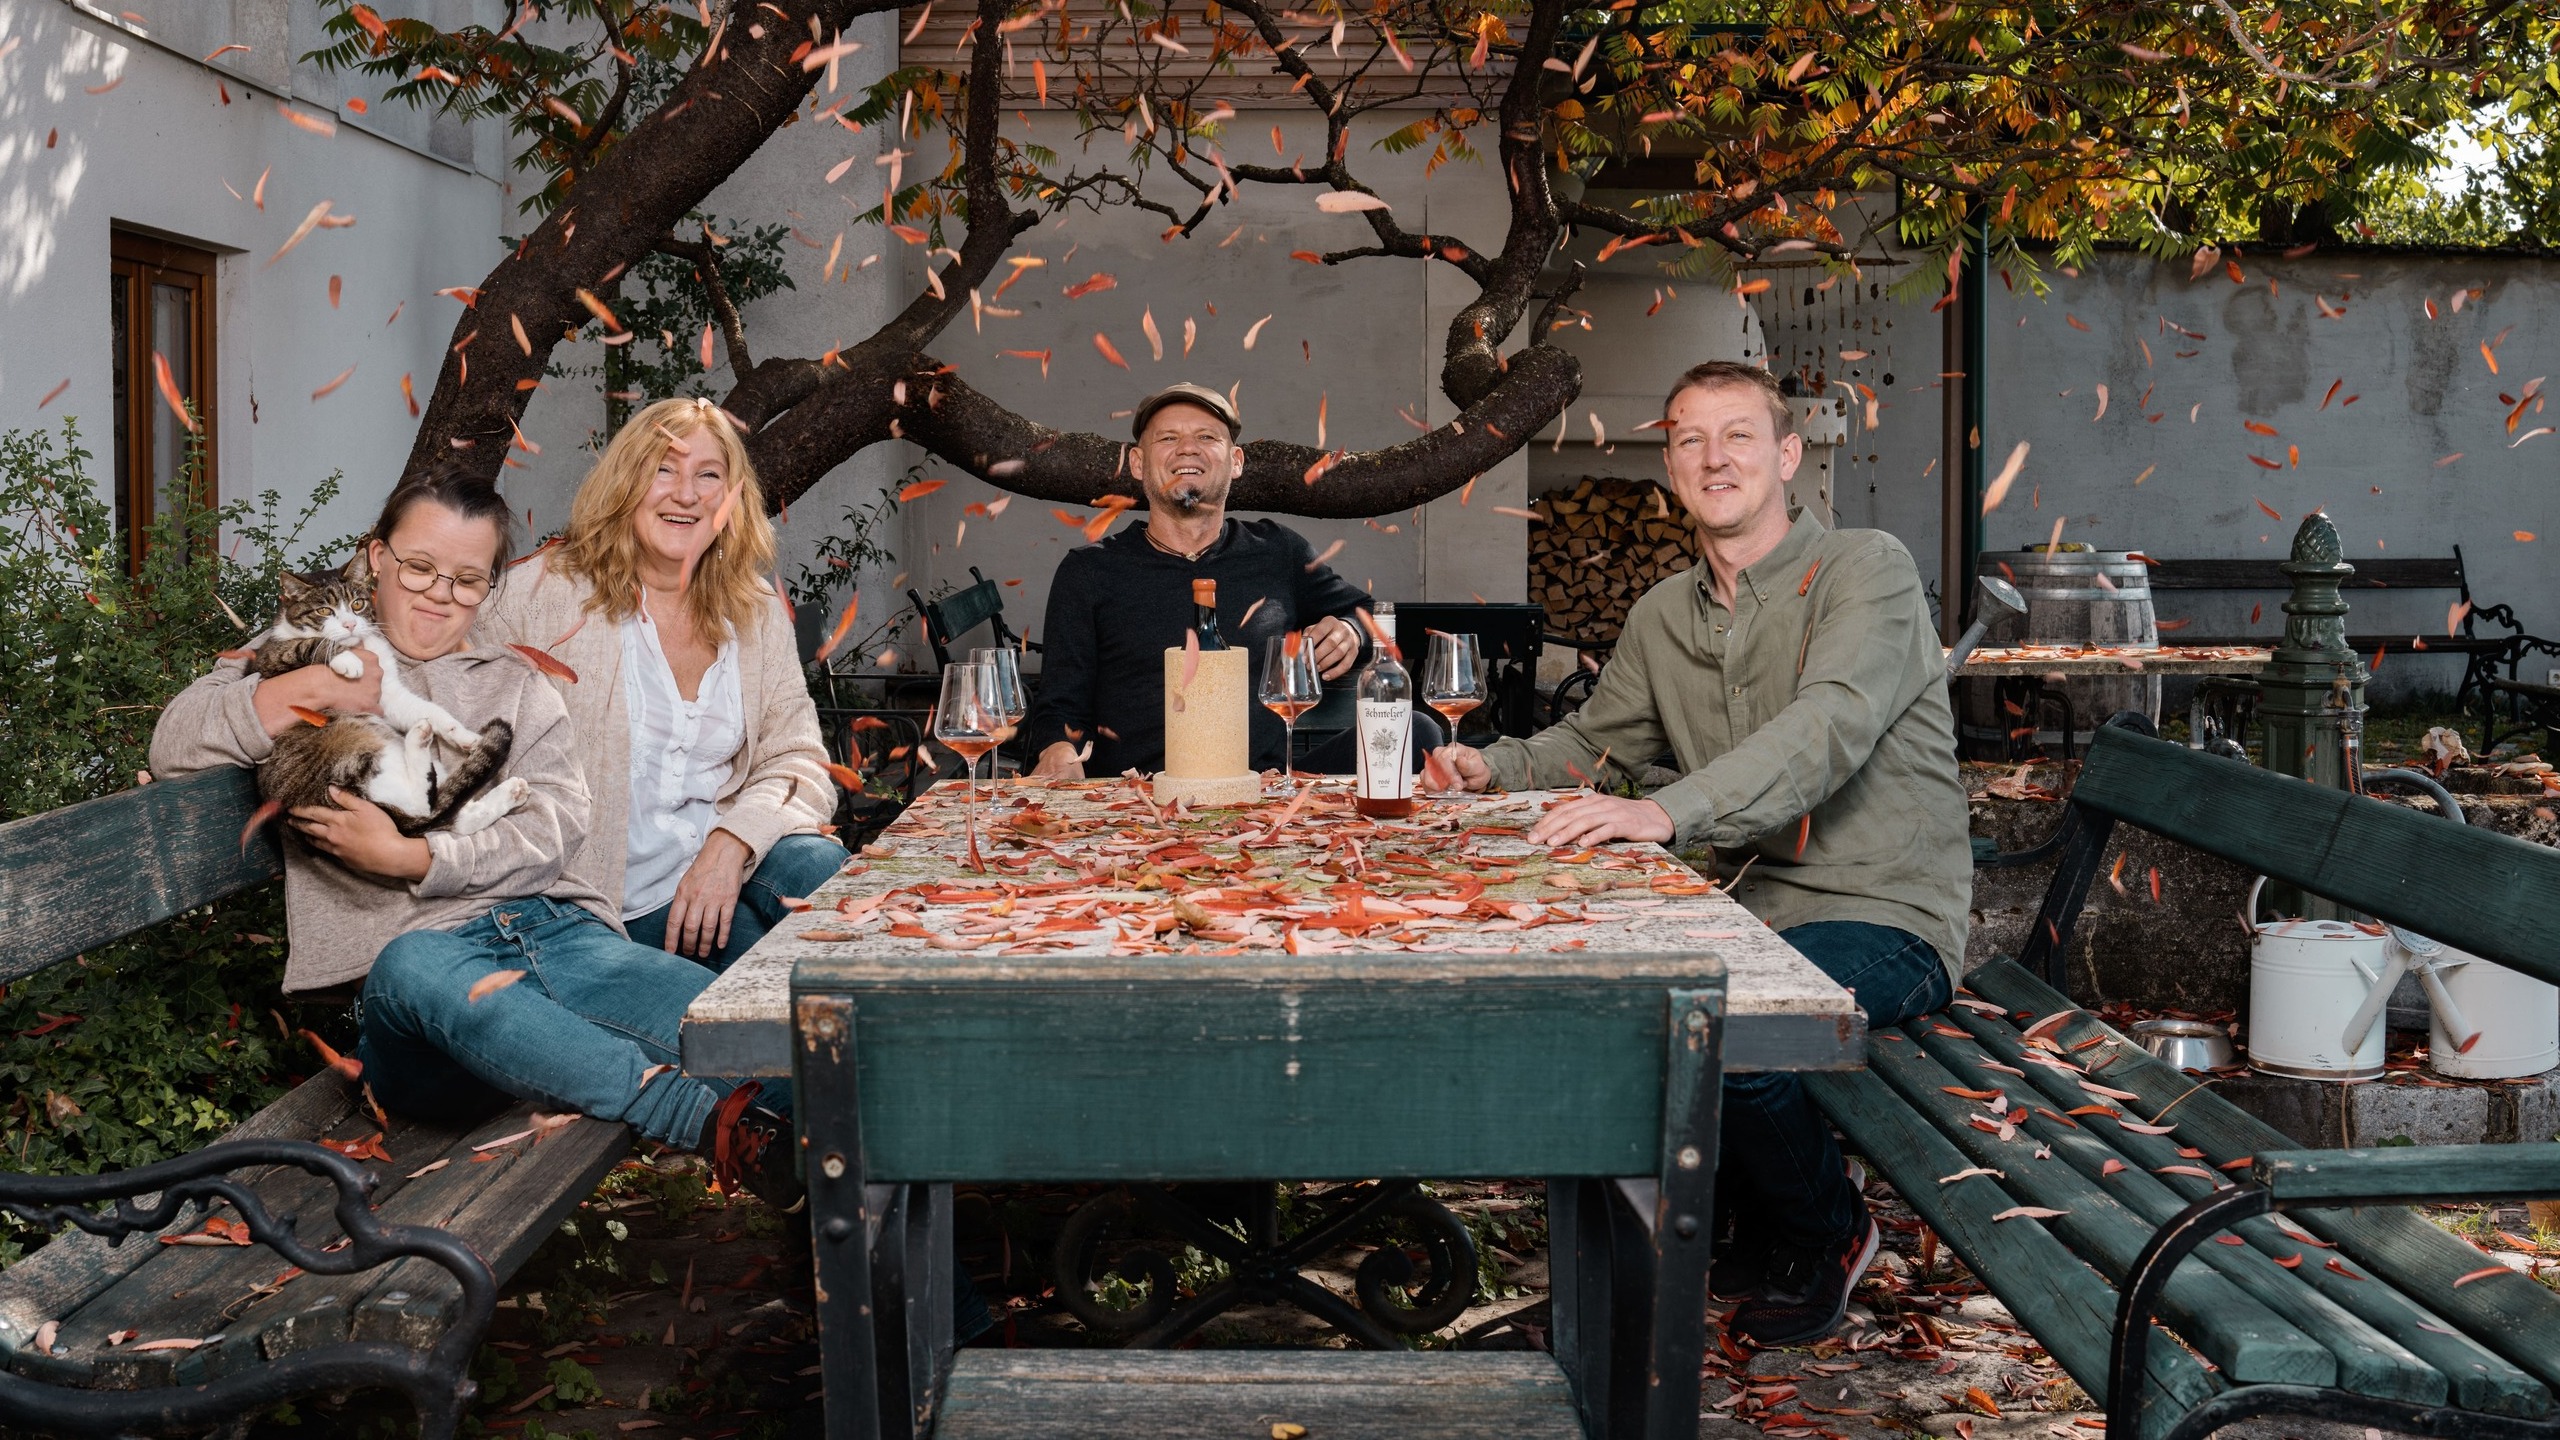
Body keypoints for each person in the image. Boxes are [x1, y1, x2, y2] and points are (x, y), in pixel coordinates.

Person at [1433, 360, 1971, 1347]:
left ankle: (1824, 1228)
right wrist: (1492, 768)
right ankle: (1665, 1246)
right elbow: (1596, 745)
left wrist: (1665, 814)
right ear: (1671, 463)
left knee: (1728, 1031)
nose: (1714, 456)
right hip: (1746, 906)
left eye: (1737, 435)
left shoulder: (1867, 569)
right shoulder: (1663, 612)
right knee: (1599, 1000)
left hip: (1883, 910)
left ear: (1786, 455)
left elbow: (1828, 729)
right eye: (1689, 437)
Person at [148, 467, 793, 1202]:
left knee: (772, 1047)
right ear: (377, 558)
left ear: (488, 588)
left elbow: (556, 821)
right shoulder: (307, 645)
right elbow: (174, 744)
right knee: (414, 963)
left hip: (559, 938)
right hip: (422, 1006)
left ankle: (940, 1308)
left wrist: (415, 857)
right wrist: (314, 690)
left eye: (466, 580)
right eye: (419, 567)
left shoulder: (512, 681)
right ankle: (692, 1118)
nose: (438, 594)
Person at [474, 396, 842, 970]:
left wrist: (731, 843)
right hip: (615, 905)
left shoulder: (755, 609)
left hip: (731, 865)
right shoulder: (541, 595)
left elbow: (799, 760)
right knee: (789, 984)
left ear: (731, 498)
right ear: (625, 483)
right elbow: (441, 695)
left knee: (829, 880)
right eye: (663, 469)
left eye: (708, 475)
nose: (686, 494)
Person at [1027, 382, 1440, 779]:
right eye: (1168, 438)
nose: (1188, 447)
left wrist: (1352, 631)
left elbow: (1369, 613)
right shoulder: (1090, 571)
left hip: (1263, 791)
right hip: (1138, 796)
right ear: (1138, 463)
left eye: (1207, 436)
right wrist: (1057, 750)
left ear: (1236, 461)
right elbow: (1058, 708)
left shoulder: (1278, 551)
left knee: (1416, 730)